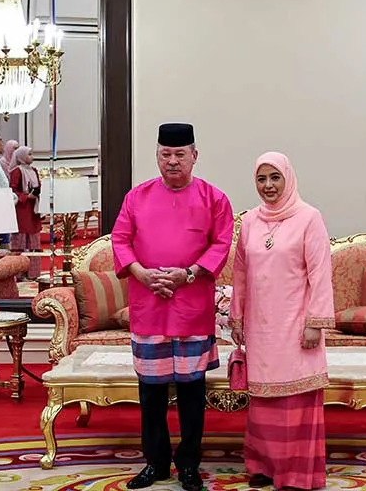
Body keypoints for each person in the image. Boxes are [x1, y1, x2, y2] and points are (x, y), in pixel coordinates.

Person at [112, 123, 233, 491]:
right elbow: (120, 239)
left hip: (191, 305)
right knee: (150, 392)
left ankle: (190, 465)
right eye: (166, 154)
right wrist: (142, 273)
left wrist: (189, 274)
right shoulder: (137, 196)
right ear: (157, 156)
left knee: (193, 392)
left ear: (194, 156)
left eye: (180, 154)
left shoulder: (215, 198)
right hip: (149, 305)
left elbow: (221, 243)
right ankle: (156, 463)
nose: (173, 161)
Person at [231, 152, 334, 491]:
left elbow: (320, 274)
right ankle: (263, 466)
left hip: (297, 324)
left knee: (296, 399)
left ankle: (295, 474)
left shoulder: (309, 218)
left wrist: (314, 323)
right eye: (261, 179)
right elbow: (241, 273)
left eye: (275, 177)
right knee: (264, 400)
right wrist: (237, 314)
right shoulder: (249, 221)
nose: (268, 186)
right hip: (262, 325)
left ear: (287, 177)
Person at [8, 145, 42, 254]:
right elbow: (12, 191)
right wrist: (26, 196)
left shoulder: (34, 170)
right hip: (22, 209)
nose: (32, 157)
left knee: (34, 241)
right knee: (21, 238)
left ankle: (34, 270)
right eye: (29, 154)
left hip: (33, 209)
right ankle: (21, 269)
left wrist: (36, 193)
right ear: (21, 156)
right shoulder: (17, 171)